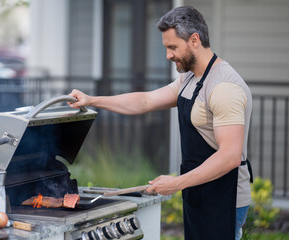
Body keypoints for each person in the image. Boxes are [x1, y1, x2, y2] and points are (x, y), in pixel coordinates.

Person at [68, 6, 253, 240]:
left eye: (172, 47)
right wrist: (92, 100)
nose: (168, 55)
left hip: (225, 198)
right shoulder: (190, 78)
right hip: (199, 191)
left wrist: (177, 183)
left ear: (194, 40)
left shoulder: (224, 87)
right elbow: (145, 101)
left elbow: (229, 156)